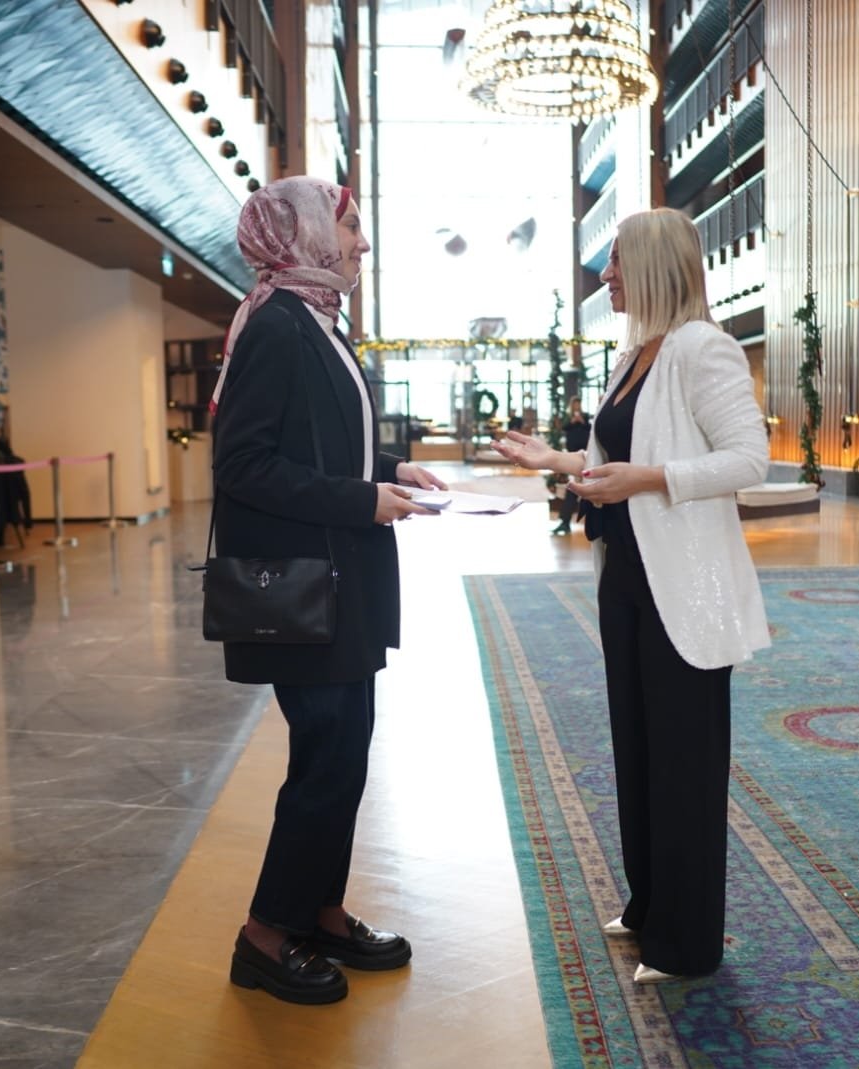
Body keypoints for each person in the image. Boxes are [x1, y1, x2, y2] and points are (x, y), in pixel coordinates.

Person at [493, 208, 769, 984]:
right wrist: (552, 458)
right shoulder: (635, 354)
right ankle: (651, 904)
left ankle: (686, 946)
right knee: (639, 749)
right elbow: (611, 455)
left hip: (685, 584)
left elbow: (752, 458)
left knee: (684, 760)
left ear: (651, 266)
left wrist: (652, 480)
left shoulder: (701, 349)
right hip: (629, 576)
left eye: (615, 265)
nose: (605, 277)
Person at [208, 176, 445, 1005]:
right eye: (349, 227)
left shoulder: (314, 320)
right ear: (303, 233)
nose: (361, 244)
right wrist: (359, 498)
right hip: (306, 592)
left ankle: (320, 910)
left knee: (340, 756)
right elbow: (242, 467)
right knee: (326, 758)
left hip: (340, 585)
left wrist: (387, 471)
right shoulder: (276, 327)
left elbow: (314, 448)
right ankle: (265, 935)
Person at [551, 395, 593, 535]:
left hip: (587, 456)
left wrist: (581, 421)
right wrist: (572, 421)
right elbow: (564, 428)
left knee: (579, 491)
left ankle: (566, 522)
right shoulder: (567, 417)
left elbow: (590, 429)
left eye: (578, 404)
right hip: (573, 456)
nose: (577, 406)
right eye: (575, 404)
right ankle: (565, 522)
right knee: (572, 490)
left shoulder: (585, 416)